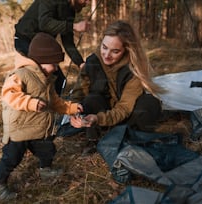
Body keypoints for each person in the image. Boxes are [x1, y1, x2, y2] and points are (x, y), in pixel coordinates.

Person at [0, 32, 83, 201]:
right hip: (19, 129)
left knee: (47, 149)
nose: (56, 68)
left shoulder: (47, 79)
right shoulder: (21, 74)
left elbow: (55, 102)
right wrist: (29, 102)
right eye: (53, 64)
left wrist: (71, 108)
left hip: (38, 129)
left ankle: (45, 169)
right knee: (11, 158)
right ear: (41, 61)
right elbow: (8, 94)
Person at [70, 20, 165, 155]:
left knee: (149, 103)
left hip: (125, 116)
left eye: (115, 51)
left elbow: (124, 108)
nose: (107, 55)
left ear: (126, 50)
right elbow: (78, 93)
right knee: (91, 99)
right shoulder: (92, 62)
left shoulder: (133, 71)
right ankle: (93, 139)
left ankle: (135, 139)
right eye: (104, 47)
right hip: (100, 112)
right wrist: (73, 112)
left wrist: (99, 119)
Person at [14, 0, 90, 95]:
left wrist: (80, 63)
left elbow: (68, 43)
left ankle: (53, 107)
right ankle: (27, 105)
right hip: (25, 40)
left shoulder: (70, 11)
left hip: (41, 44)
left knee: (59, 80)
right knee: (35, 77)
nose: (87, 3)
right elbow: (45, 23)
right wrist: (73, 26)